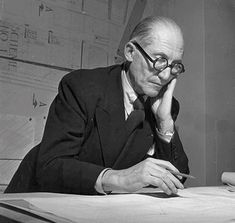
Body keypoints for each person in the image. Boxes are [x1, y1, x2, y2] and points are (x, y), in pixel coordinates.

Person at [5, 16, 189, 195]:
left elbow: (176, 180)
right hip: (35, 200)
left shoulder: (164, 107)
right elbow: (51, 165)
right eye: (159, 60)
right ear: (131, 52)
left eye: (175, 66)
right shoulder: (81, 87)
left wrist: (164, 123)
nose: (166, 76)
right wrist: (119, 179)